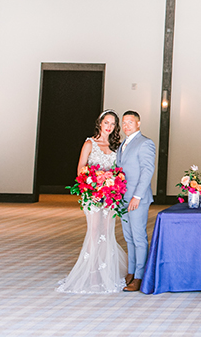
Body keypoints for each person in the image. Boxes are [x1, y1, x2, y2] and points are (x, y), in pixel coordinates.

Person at [56, 110, 128, 294]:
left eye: (113, 124)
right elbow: (81, 169)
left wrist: (113, 181)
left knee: (107, 232)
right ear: (100, 123)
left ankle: (107, 271)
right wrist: (96, 180)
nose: (109, 127)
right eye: (106, 122)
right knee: (94, 231)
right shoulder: (90, 143)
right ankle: (93, 275)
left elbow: (119, 170)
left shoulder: (115, 145)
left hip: (110, 195)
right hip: (93, 195)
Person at [117, 110, 155, 292]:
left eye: (130, 122)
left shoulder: (145, 143)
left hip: (137, 198)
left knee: (139, 237)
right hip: (122, 197)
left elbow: (147, 171)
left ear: (138, 123)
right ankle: (131, 272)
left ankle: (140, 276)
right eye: (124, 123)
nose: (126, 126)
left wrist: (137, 196)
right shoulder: (122, 144)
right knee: (128, 237)